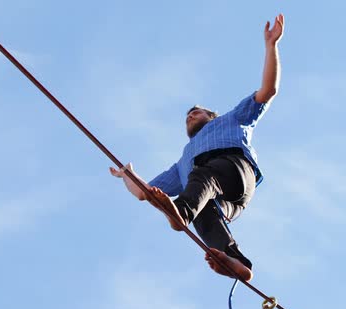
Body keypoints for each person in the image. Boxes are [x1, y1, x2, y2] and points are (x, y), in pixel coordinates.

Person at [110, 14, 284, 281]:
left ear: (211, 116)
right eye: (187, 116)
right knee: (204, 213)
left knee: (201, 179)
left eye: (196, 112)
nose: (190, 115)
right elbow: (145, 193)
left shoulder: (231, 119)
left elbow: (268, 90)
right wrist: (126, 175)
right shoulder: (182, 163)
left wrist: (271, 46)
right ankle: (235, 262)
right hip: (226, 202)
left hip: (234, 170)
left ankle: (181, 212)